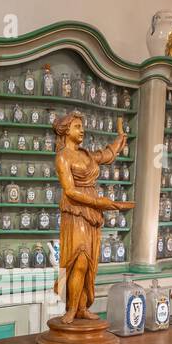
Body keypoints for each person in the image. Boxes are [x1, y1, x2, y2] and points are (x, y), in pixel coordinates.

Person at [52, 111, 133, 323]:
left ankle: (81, 308)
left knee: (89, 263)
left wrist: (120, 138)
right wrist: (100, 203)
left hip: (91, 212)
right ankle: (70, 309)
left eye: (82, 127)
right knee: (77, 260)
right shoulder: (62, 156)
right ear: (66, 130)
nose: (82, 130)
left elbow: (107, 155)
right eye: (78, 126)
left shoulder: (87, 154)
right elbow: (69, 190)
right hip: (75, 209)